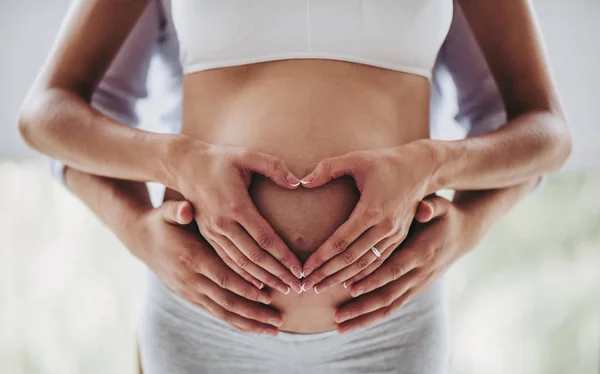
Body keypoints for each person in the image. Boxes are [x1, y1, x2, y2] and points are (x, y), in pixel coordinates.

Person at [19, 0, 571, 373]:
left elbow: (544, 131)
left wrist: (453, 198)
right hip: (204, 318)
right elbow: (47, 115)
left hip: (388, 324)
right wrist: (146, 208)